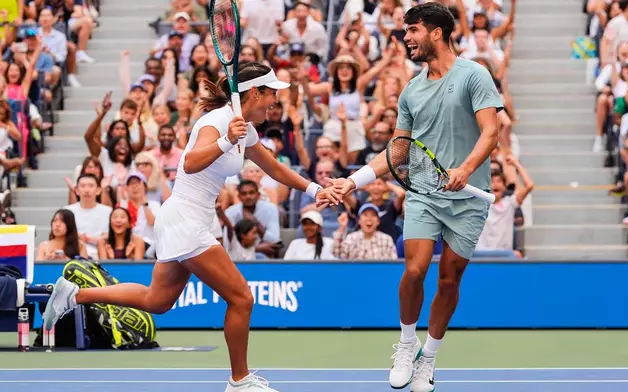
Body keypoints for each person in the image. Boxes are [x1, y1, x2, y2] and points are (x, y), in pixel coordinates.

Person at [42, 62, 341, 392]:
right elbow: (190, 162)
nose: (275, 101)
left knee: (158, 301)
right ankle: (239, 381)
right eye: (272, 94)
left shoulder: (246, 130)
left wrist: (317, 189)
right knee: (242, 299)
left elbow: (275, 170)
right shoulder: (216, 123)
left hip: (187, 218)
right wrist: (227, 140)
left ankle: (75, 294)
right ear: (254, 93)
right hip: (185, 218)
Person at [321, 3, 503, 391]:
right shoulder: (411, 90)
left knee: (450, 280)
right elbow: (398, 152)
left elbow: (491, 132)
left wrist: (465, 168)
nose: (407, 37)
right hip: (423, 192)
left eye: (413, 30)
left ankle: (429, 358)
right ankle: (406, 344)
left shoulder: (475, 75)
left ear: (437, 32)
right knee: (415, 270)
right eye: (406, 30)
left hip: (469, 196)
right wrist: (352, 182)